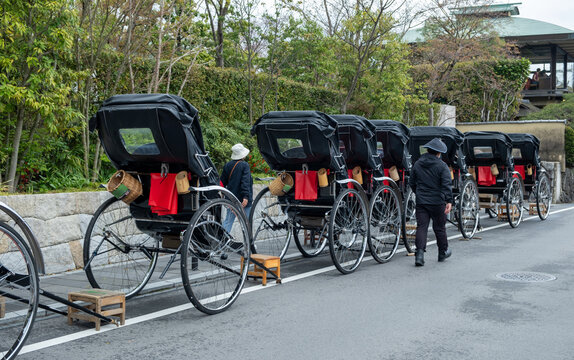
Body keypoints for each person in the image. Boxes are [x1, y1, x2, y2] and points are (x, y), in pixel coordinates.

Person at [408, 138, 453, 266]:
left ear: (428, 150)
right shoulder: (442, 166)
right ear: (439, 153)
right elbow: (446, 184)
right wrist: (449, 200)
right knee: (439, 227)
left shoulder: (418, 163)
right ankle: (442, 252)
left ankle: (419, 255)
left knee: (422, 227)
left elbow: (412, 182)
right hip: (438, 202)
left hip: (422, 201)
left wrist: (420, 193)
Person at [221, 143, 253, 232]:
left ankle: (222, 242)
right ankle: (249, 243)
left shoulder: (227, 165)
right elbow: (245, 182)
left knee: (228, 221)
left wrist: (223, 194)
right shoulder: (244, 165)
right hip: (243, 200)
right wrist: (246, 196)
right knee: (246, 223)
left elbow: (222, 181)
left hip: (231, 198)